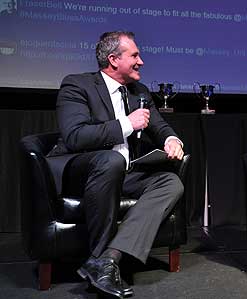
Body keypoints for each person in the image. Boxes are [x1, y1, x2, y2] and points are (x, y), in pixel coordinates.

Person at [47, 31, 185, 298]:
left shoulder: (139, 92)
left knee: (170, 182)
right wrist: (127, 124)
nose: (141, 61)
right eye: (134, 55)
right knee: (110, 160)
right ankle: (101, 259)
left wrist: (171, 140)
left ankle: (107, 260)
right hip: (83, 171)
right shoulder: (77, 85)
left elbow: (159, 125)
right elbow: (75, 136)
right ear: (113, 59)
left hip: (122, 171)